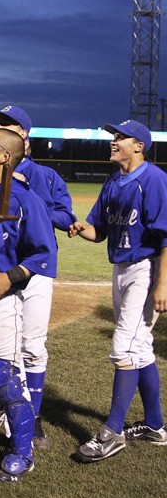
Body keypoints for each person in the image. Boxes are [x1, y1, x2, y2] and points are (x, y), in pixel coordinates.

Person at [69, 119, 167, 461]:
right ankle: (155, 426)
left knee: (124, 346)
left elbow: (166, 236)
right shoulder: (114, 182)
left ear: (139, 146)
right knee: (139, 348)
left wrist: (162, 283)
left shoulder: (154, 180)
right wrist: (81, 227)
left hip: (147, 268)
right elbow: (99, 232)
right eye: (114, 136)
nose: (114, 141)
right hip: (121, 269)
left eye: (121, 137)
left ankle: (112, 432)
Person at [0, 103, 76, 446]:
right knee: (0, 348)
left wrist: (30, 199)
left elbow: (66, 218)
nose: (0, 128)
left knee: (32, 346)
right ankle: (5, 408)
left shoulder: (44, 177)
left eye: (10, 124)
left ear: (24, 137)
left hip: (34, 271)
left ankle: (31, 420)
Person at [0, 129, 57, 482]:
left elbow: (43, 255)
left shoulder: (25, 199)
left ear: (5, 157)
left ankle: (23, 450)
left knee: (2, 375)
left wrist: (11, 276)